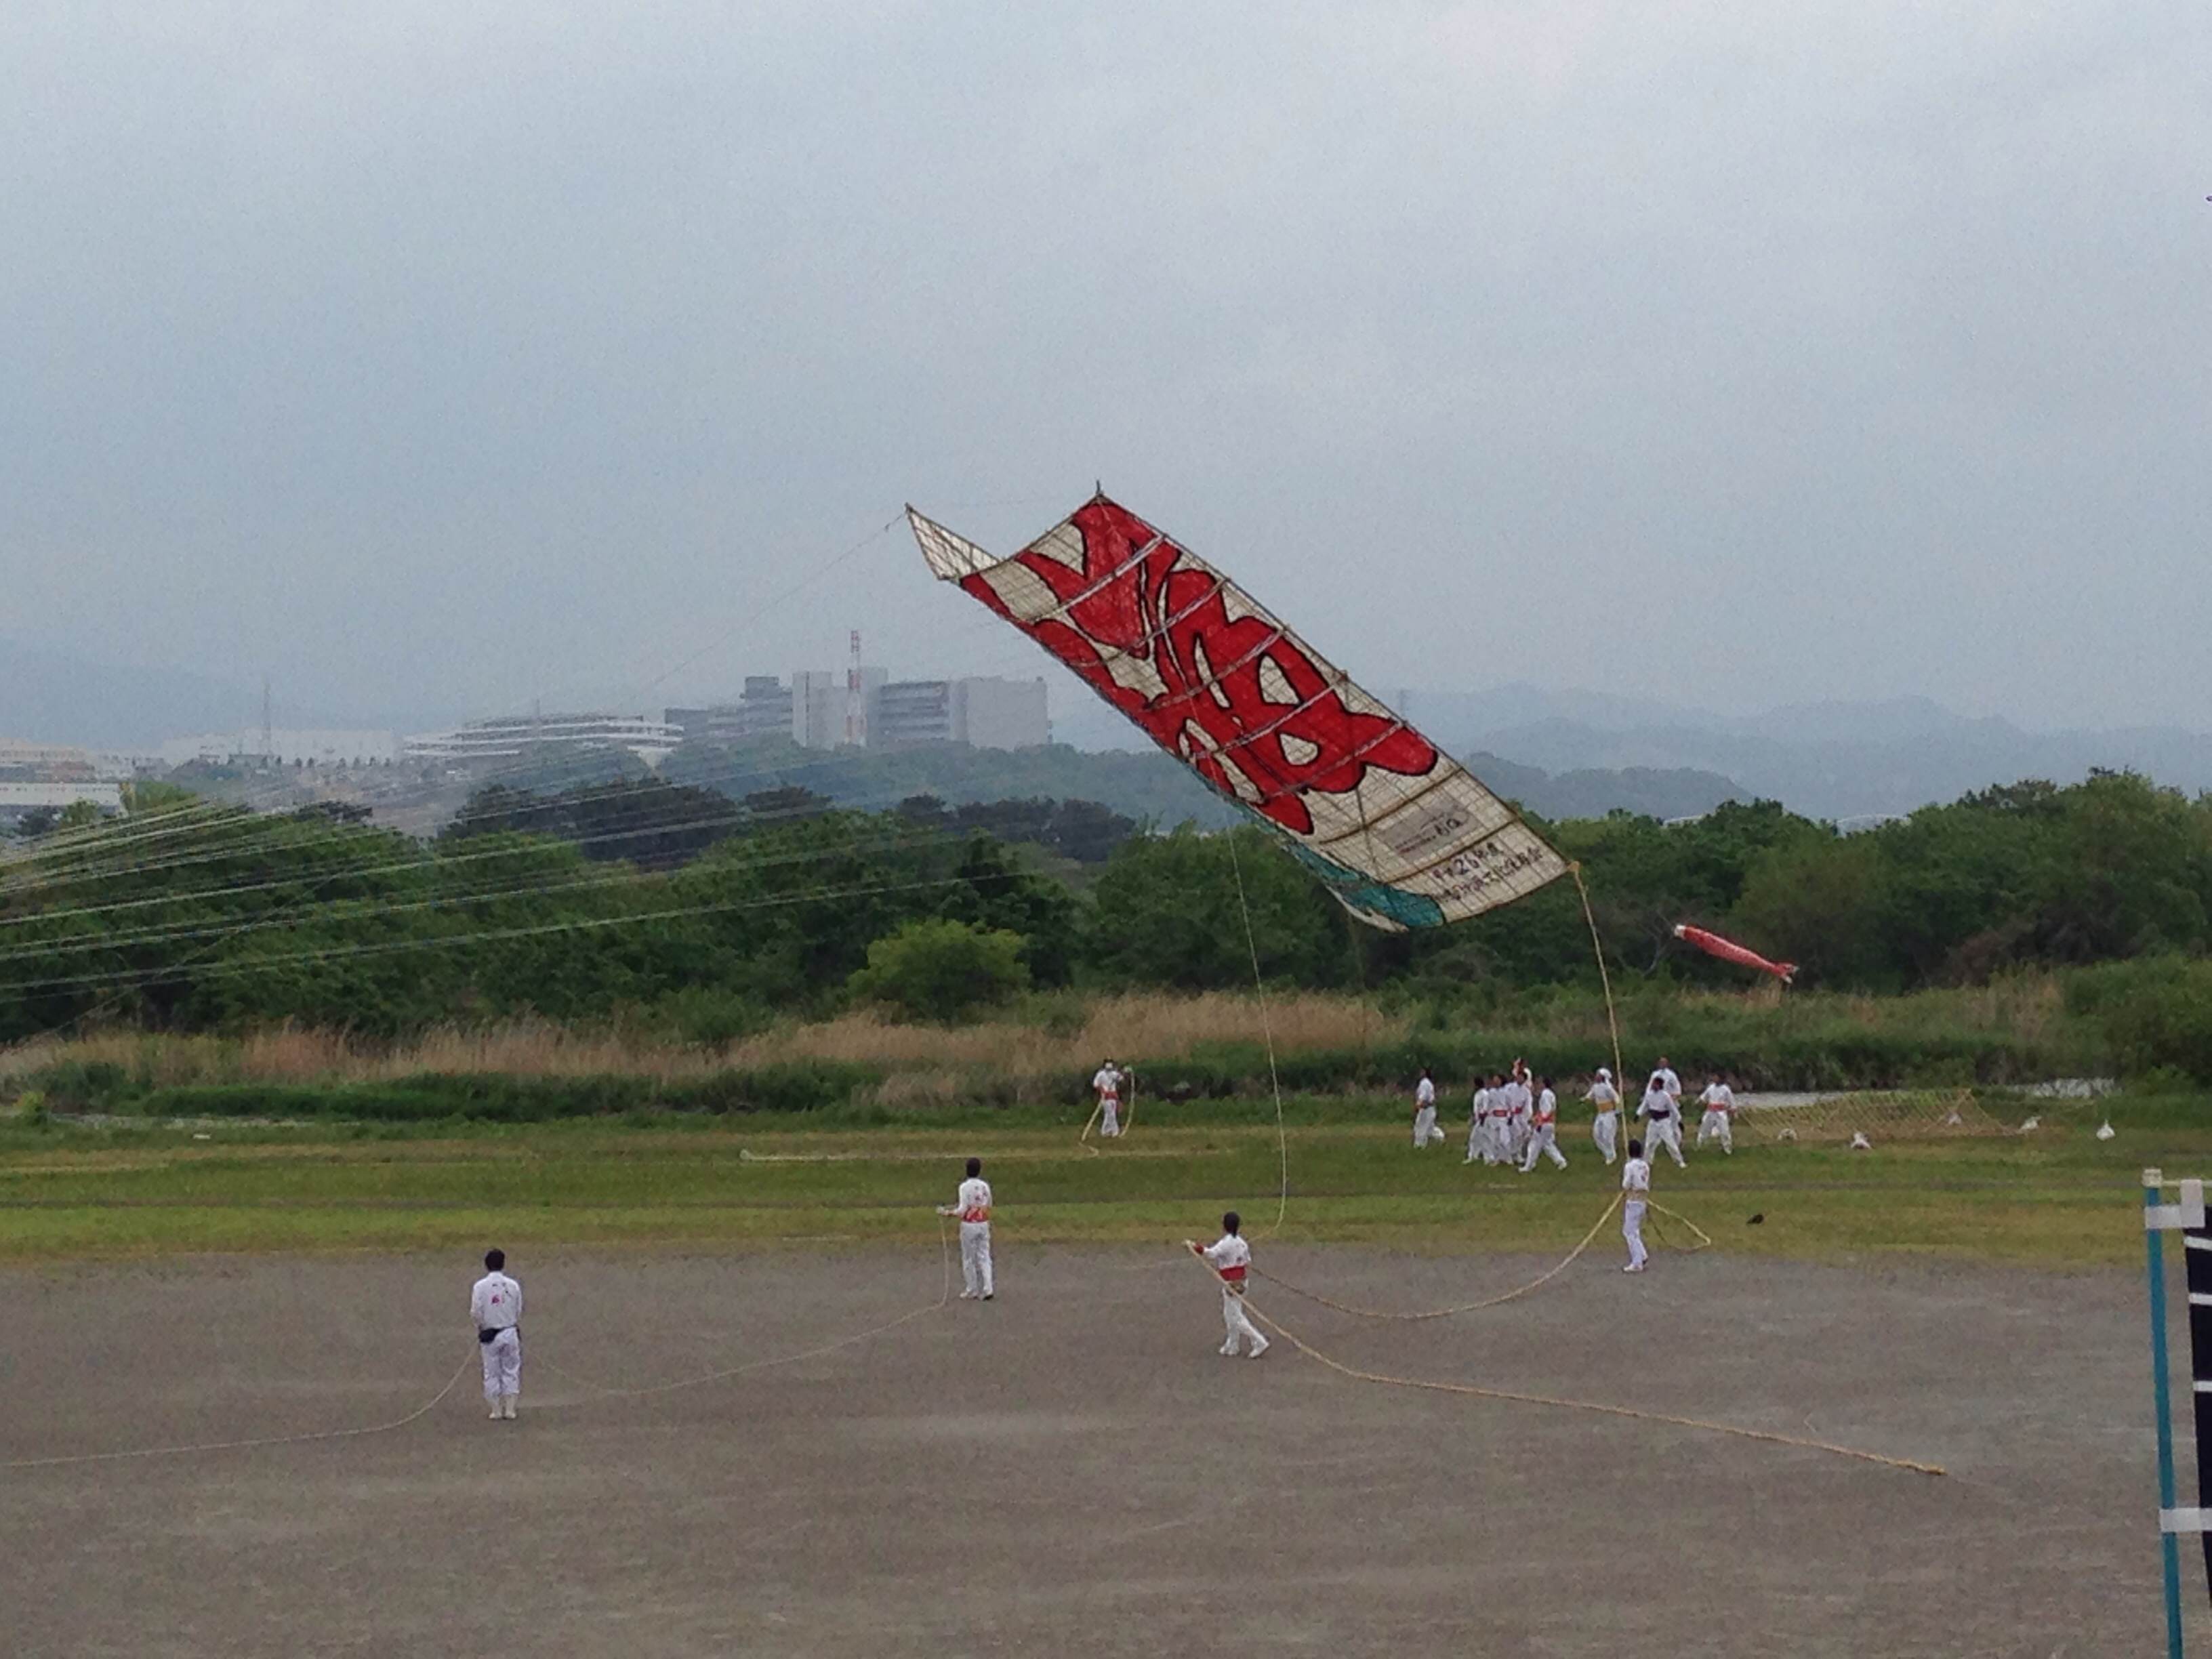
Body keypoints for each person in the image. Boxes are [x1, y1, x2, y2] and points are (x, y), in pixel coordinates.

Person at [1186, 1211, 1268, 1358]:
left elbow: (1210, 1253)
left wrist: (1194, 1246)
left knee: (1236, 1317)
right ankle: (1233, 1344)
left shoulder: (1227, 1243)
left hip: (1232, 1284)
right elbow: (1247, 1261)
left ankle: (1259, 1340)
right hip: (1241, 1282)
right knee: (1229, 1314)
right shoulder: (1242, 1243)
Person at [470, 1248, 523, 1422]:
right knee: (511, 1370)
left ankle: (496, 1410)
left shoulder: (480, 1287)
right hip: (510, 1331)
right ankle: (510, 1409)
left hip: (491, 1334)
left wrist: (480, 1326)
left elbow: (476, 1312)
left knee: (491, 1372)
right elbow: (518, 1309)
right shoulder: (513, 1285)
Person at [937, 1157, 994, 1300]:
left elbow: (962, 1210)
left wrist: (947, 1213)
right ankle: (988, 1288)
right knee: (984, 1256)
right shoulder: (984, 1186)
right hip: (983, 1223)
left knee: (969, 1258)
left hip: (969, 1225)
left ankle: (972, 1288)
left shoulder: (964, 1187)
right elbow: (989, 1204)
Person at [1638, 1071, 1686, 1168]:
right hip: (1653, 1122)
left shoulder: (1665, 1096)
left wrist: (1678, 1119)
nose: (1653, 1085)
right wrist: (1638, 1114)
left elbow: (1672, 1108)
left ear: (1659, 1085)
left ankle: (1679, 1161)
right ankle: (1647, 1161)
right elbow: (1645, 1106)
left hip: (1664, 1122)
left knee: (1670, 1143)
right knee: (1649, 1143)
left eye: (1655, 1084)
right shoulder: (1649, 1095)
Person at [1520, 1076, 1568, 1172]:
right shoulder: (1550, 1094)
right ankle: (1561, 1161)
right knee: (1548, 1145)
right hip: (1549, 1124)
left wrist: (1537, 1121)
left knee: (1534, 1145)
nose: (1538, 1085)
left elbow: (1546, 1112)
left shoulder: (1545, 1094)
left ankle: (1529, 1166)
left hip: (1544, 1124)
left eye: (1539, 1083)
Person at [1620, 1141, 1652, 1272]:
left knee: (1629, 1231)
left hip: (1633, 1201)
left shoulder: (1630, 1166)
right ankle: (1642, 1255)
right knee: (1634, 1230)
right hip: (1642, 1200)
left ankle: (1637, 1262)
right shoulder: (1645, 1165)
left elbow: (1626, 1184)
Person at [1587, 1068, 1622, 1165]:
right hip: (1600, 1114)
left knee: (1607, 1136)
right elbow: (1591, 1095)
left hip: (1609, 1114)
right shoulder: (1595, 1087)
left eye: (1598, 1075)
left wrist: (1618, 1109)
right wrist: (1585, 1099)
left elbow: (1616, 1098)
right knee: (1597, 1135)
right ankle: (1608, 1154)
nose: (1596, 1076)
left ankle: (1612, 1155)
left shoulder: (1607, 1088)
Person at [1696, 1073, 1736, 1155]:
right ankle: (1699, 1145)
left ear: (1721, 1078)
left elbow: (1732, 1101)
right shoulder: (1711, 1087)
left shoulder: (1726, 1089)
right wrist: (1699, 1101)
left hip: (1721, 1113)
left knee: (1724, 1131)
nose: (1714, 1078)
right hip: (1710, 1112)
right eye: (1713, 1077)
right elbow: (1704, 1097)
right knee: (1704, 1128)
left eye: (1716, 1077)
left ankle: (1727, 1149)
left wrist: (1733, 1111)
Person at [1412, 1068, 1446, 1148]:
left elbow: (1423, 1096)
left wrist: (1418, 1105)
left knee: (1420, 1127)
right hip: (1430, 1109)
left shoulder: (1424, 1083)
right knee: (1430, 1129)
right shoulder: (1428, 1083)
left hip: (1426, 1109)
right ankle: (1440, 1137)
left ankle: (1419, 1145)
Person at [1092, 1059, 1125, 1138]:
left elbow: (1121, 1078)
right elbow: (1095, 1084)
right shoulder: (1101, 1074)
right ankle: (1115, 1132)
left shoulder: (1114, 1073)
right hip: (1105, 1097)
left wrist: (1122, 1072)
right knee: (1111, 1114)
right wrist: (1102, 1090)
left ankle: (1105, 1131)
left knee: (1109, 1115)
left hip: (1113, 1097)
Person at [1465, 1074, 1494, 1164]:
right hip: (1479, 1120)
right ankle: (1473, 1156)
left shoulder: (1485, 1094)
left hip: (1484, 1120)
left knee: (1485, 1139)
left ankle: (1489, 1158)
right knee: (1474, 1138)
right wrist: (1474, 1117)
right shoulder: (1477, 1094)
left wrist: (1482, 1119)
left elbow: (1485, 1108)